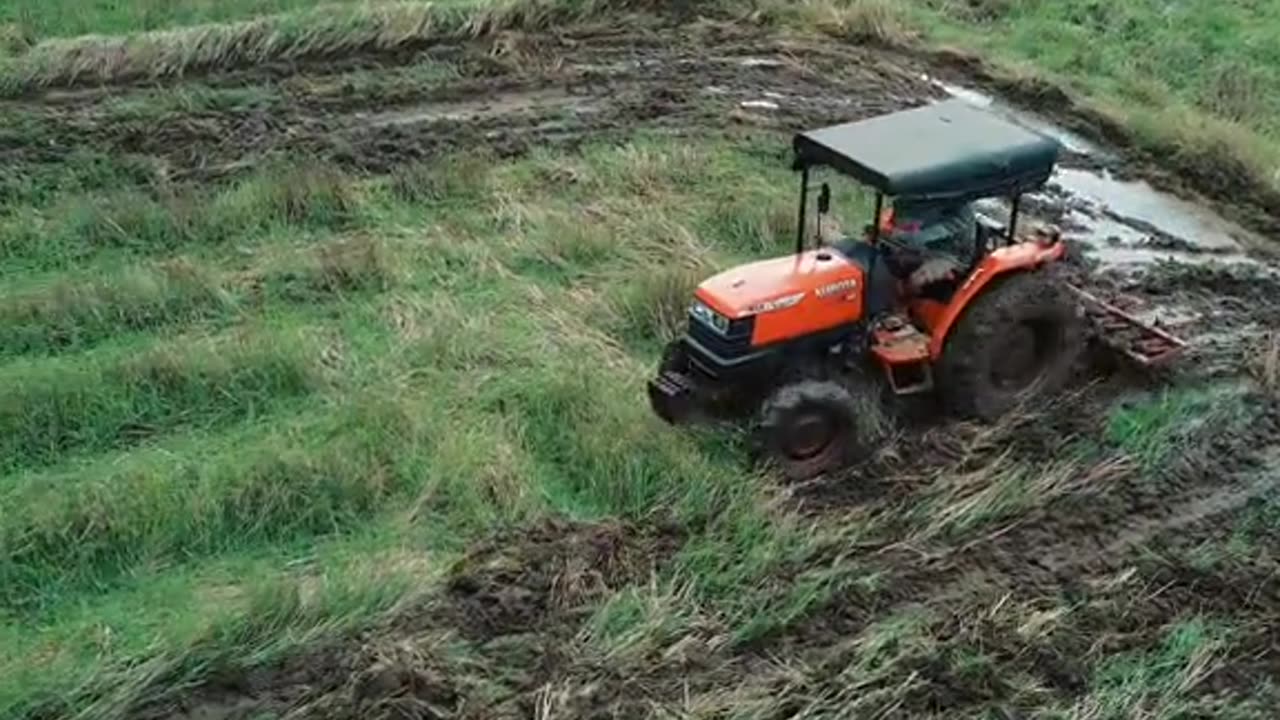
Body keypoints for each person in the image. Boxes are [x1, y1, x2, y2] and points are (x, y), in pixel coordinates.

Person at [880, 197, 977, 293]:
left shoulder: (960, 204)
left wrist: (912, 237)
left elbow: (947, 228)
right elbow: (904, 219)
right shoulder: (923, 194)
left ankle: (902, 303)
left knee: (917, 279)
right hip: (924, 248)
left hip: (949, 255)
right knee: (883, 256)